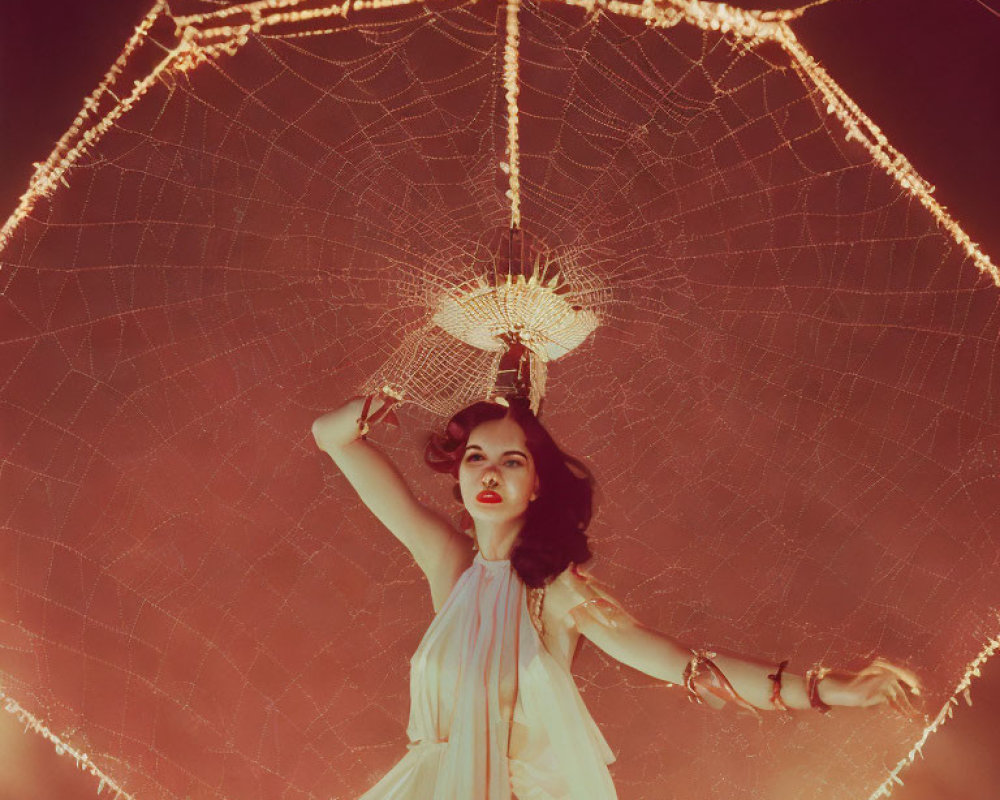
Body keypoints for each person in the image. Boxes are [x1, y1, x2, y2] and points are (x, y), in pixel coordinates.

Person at [311, 390, 921, 799]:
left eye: (513, 461)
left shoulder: (558, 594)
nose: (490, 473)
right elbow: (332, 438)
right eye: (475, 457)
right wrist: (367, 403)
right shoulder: (450, 565)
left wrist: (823, 689)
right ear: (459, 474)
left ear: (537, 486)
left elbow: (688, 665)